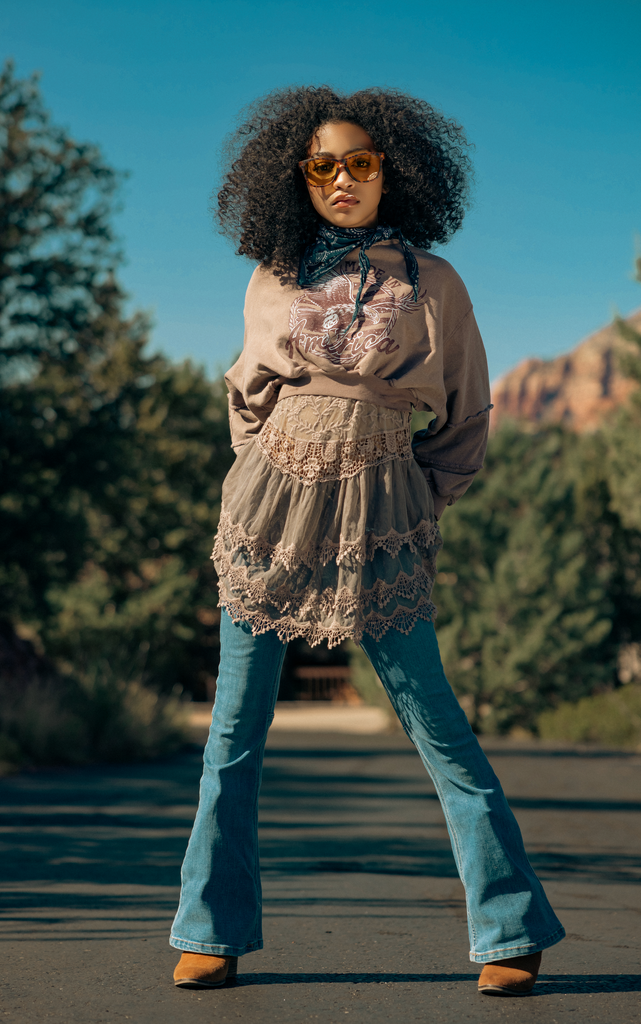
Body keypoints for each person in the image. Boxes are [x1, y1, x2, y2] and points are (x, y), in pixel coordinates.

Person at [170, 86, 564, 997]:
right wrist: (264, 474)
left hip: (383, 514)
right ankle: (209, 932)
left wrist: (417, 498)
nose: (340, 181)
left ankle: (509, 930)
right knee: (232, 734)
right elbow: (245, 398)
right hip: (268, 513)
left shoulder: (436, 284)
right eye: (320, 167)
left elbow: (466, 413)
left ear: (394, 171)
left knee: (435, 723)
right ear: (294, 180)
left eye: (359, 162)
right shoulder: (270, 277)